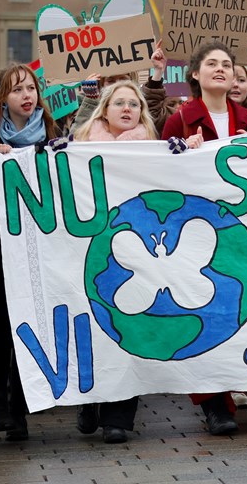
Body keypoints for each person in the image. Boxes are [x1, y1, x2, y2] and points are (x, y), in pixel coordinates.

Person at [159, 41, 247, 435]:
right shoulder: (180, 121)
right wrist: (181, 153)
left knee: (239, 308)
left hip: (244, 230)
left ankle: (241, 385)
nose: (221, 69)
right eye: (212, 64)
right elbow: (161, 175)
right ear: (194, 74)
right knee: (203, 314)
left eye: (227, 64)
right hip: (198, 231)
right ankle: (213, 405)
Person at [67, 81, 158, 443]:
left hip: (135, 253)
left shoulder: (154, 147)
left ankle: (119, 417)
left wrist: (188, 150)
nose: (126, 109)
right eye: (118, 103)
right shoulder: (78, 146)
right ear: (104, 110)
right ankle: (90, 401)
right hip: (90, 250)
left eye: (133, 104)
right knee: (94, 326)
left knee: (129, 326)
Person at [0, 64, 59, 441]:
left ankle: (20, 406)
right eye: (16, 90)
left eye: (31, 88)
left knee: (33, 323)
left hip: (42, 249)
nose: (27, 96)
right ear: (2, 99)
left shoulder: (55, 134)